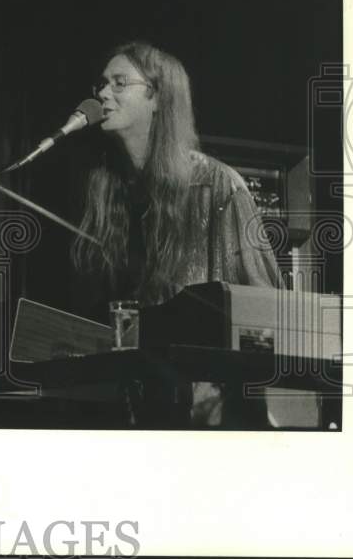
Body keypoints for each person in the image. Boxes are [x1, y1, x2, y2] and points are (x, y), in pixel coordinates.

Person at [69, 41, 281, 425]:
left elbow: (267, 311)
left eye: (119, 83)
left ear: (158, 97)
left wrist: (222, 388)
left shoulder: (218, 185)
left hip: (209, 415)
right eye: (101, 84)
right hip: (134, 405)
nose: (103, 94)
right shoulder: (106, 190)